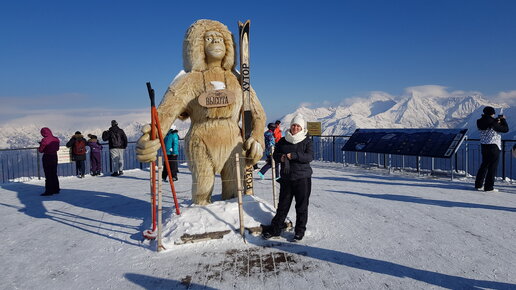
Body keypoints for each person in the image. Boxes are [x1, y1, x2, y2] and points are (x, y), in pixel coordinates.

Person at [262, 114, 313, 241]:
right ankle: (276, 229)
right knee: (283, 205)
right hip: (287, 178)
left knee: (301, 206)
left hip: (302, 178)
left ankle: (299, 232)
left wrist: (294, 156)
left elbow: (310, 157)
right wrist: (281, 157)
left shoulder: (307, 141)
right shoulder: (283, 140)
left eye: (298, 126)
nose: (295, 128)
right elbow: (275, 155)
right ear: (290, 126)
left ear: (302, 128)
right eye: (293, 125)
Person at [474, 106, 509, 192]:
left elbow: (489, 123)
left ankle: (478, 184)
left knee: (484, 165)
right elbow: (505, 129)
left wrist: (496, 120)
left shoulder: (479, 121)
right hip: (493, 146)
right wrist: (503, 120)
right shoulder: (493, 122)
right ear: (492, 113)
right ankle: (489, 187)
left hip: (484, 145)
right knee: (492, 167)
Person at [38, 127, 61, 196]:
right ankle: (56, 189)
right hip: (54, 156)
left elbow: (40, 150)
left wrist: (41, 145)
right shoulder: (56, 139)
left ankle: (49, 190)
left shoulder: (44, 140)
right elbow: (57, 148)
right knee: (54, 173)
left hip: (47, 157)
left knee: (48, 174)